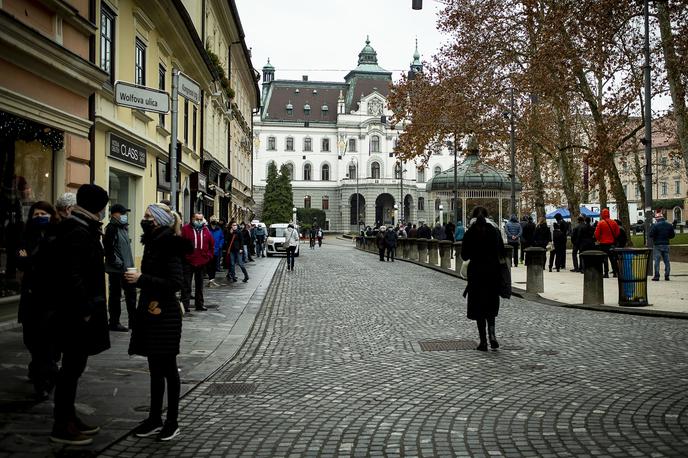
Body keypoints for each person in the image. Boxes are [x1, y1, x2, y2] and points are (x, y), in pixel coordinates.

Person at [50, 184, 110, 446]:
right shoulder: (78, 231)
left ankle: (69, 417)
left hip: (76, 311)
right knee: (71, 369)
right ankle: (62, 425)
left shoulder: (80, 227)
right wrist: (85, 309)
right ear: (98, 207)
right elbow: (73, 274)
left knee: (74, 368)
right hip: (75, 314)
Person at [126, 203, 187, 442]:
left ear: (160, 221)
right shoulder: (153, 243)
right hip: (152, 313)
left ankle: (172, 421)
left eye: (149, 217)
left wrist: (142, 278)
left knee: (168, 369)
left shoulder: (169, 246)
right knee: (154, 370)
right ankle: (154, 418)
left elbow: (175, 283)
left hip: (166, 315)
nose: (144, 219)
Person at [17, 201, 60, 400]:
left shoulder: (58, 235)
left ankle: (44, 378)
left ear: (51, 214)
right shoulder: (27, 236)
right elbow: (21, 257)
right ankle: (39, 367)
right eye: (36, 214)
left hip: (51, 298)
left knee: (48, 340)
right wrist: (29, 259)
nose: (39, 216)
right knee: (31, 339)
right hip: (31, 296)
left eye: (43, 213)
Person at [461, 206, 506, 351]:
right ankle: (492, 335)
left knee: (479, 308)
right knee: (490, 306)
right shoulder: (494, 231)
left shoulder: (470, 232)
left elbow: (464, 255)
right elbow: (502, 252)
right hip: (492, 272)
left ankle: (483, 342)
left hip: (476, 274)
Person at [103, 204, 136, 331]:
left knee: (131, 295)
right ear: (114, 214)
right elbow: (109, 249)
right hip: (116, 269)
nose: (124, 216)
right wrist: (118, 263)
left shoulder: (123, 228)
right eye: (121, 213)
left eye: (125, 214)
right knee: (116, 296)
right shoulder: (111, 228)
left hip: (127, 268)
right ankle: (114, 322)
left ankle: (133, 322)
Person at [180, 213, 213, 312]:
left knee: (200, 285)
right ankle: (184, 305)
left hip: (201, 262)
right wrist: (185, 257)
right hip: (188, 262)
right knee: (186, 285)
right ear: (192, 219)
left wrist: (208, 257)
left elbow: (211, 245)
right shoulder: (185, 229)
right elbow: (181, 244)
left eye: (201, 219)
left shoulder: (206, 230)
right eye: (197, 219)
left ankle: (199, 304)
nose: (199, 221)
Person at [594, 208, 620, 278]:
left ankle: (606, 273)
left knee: (604, 259)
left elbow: (596, 234)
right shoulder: (614, 222)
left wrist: (599, 239)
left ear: (602, 214)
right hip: (612, 243)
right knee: (613, 258)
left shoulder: (601, 223)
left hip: (603, 244)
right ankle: (615, 272)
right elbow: (617, 233)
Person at [649, 211, 675, 281]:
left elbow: (651, 235)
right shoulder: (669, 225)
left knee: (657, 261)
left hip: (657, 245)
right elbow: (672, 235)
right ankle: (667, 275)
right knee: (667, 261)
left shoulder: (655, 225)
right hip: (666, 244)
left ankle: (657, 276)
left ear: (657, 219)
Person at [207, 216, 224, 287]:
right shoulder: (207, 229)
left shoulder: (219, 229)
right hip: (208, 250)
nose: (214, 221)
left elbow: (222, 238)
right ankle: (210, 279)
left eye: (215, 220)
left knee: (214, 266)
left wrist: (220, 245)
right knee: (208, 265)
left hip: (216, 250)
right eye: (212, 219)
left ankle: (212, 279)